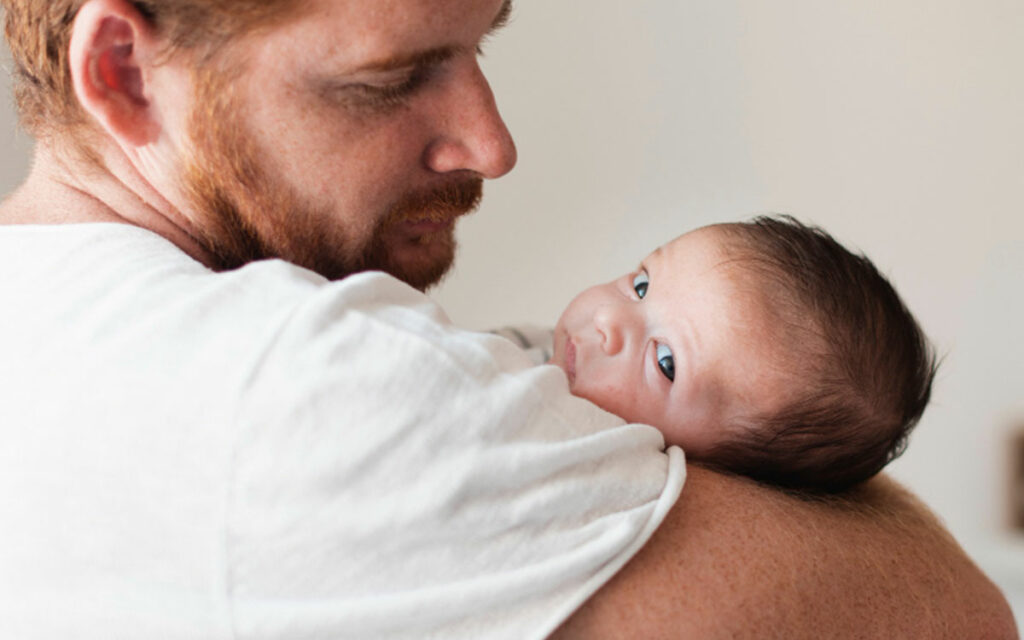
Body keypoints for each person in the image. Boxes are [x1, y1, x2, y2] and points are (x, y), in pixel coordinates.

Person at [0, 1, 1014, 638]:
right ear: (122, 71)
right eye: (391, 77)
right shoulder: (293, 385)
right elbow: (957, 613)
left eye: (479, 44)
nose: (492, 143)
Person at [545, 216, 937, 493]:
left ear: (711, 476)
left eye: (667, 363)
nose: (608, 319)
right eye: (642, 285)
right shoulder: (535, 348)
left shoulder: (574, 464)